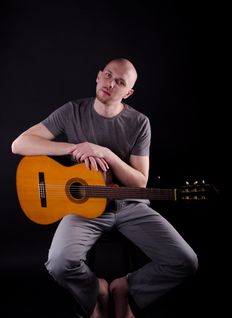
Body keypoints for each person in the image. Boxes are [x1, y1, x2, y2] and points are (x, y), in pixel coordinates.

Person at [11, 58, 198, 318]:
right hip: (83, 209)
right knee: (59, 264)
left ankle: (126, 288)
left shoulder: (139, 122)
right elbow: (19, 144)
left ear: (128, 92)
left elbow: (139, 182)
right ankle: (96, 291)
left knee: (185, 261)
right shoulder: (72, 111)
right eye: (108, 75)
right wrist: (75, 149)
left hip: (129, 206)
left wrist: (107, 154)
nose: (111, 83)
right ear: (98, 76)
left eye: (120, 82)